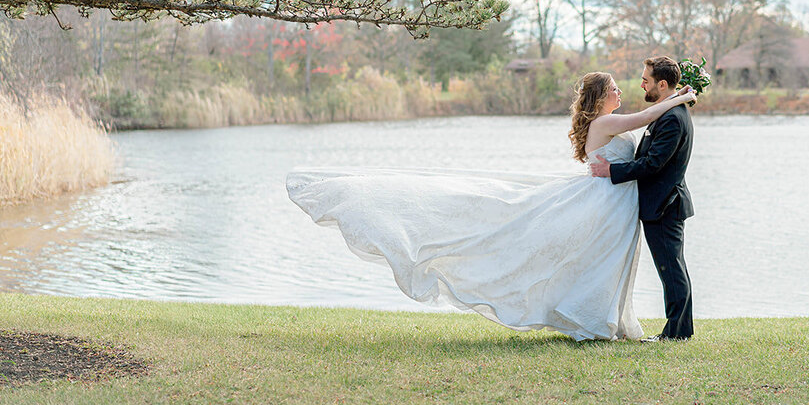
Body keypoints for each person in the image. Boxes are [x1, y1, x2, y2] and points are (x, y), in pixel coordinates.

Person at [286, 72, 695, 341]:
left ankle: (603, 318)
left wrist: (675, 98)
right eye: (614, 90)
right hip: (604, 203)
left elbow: (641, 120)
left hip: (614, 205)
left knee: (600, 261)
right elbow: (645, 116)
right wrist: (681, 97)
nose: (622, 92)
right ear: (600, 96)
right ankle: (591, 318)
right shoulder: (606, 123)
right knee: (587, 257)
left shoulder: (606, 120)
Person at [590, 56, 694, 341]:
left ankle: (676, 333)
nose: (641, 85)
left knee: (671, 269)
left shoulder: (673, 118)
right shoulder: (668, 112)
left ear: (662, 84)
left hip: (665, 205)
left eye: (646, 80)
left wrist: (612, 170)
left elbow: (653, 164)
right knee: (672, 268)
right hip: (659, 204)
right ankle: (679, 330)